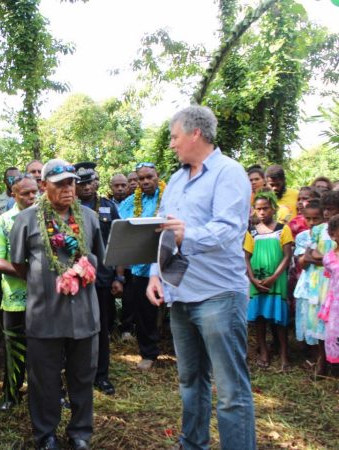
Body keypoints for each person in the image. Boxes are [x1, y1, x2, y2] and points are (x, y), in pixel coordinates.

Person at [146, 106, 255, 450]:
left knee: (230, 389)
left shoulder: (229, 172)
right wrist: (154, 274)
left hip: (219, 295)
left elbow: (228, 229)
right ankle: (192, 444)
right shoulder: (176, 180)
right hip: (180, 296)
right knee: (190, 382)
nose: (172, 145)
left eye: (175, 137)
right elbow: (161, 232)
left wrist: (186, 235)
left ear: (195, 134)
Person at [10, 159, 104, 450]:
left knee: (83, 378)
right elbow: (18, 264)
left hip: (85, 315)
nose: (68, 188)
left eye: (71, 182)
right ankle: (45, 434)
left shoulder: (88, 218)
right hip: (45, 316)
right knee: (43, 381)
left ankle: (80, 433)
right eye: (60, 183)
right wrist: (46, 281)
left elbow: (98, 258)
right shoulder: (26, 220)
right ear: (43, 185)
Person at [0, 174, 39, 410]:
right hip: (15, 300)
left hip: (46, 299)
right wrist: (28, 273)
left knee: (47, 350)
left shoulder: (47, 217)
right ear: (12, 194)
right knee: (14, 350)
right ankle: (11, 394)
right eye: (25, 193)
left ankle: (52, 393)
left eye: (34, 191)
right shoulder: (4, 222)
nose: (31, 197)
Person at [74, 162, 123, 395]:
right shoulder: (66, 208)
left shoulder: (108, 207)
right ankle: (76, 374)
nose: (86, 187)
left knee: (101, 328)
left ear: (96, 182)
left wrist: (119, 277)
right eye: (80, 183)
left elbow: (119, 242)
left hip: (102, 278)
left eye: (89, 182)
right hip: (73, 280)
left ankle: (101, 376)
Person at [117, 161, 166, 370]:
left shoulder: (169, 196)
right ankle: (149, 353)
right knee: (144, 311)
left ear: (158, 176)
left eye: (149, 177)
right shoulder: (130, 202)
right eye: (141, 178)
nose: (145, 181)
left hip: (169, 261)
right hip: (141, 266)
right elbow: (120, 227)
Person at [244, 191, 293, 369]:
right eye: (258, 209)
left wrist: (274, 277)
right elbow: (246, 257)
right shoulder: (252, 232)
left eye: (265, 208)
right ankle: (263, 350)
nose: (262, 212)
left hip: (276, 280)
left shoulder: (282, 229)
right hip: (257, 280)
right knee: (260, 318)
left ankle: (284, 354)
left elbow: (287, 256)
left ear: (273, 208)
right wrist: (252, 279)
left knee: (279, 318)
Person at [301, 190, 339, 375]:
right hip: (318, 281)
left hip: (334, 282)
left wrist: (321, 258)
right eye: (325, 209)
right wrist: (328, 259)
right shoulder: (317, 230)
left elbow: (317, 256)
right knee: (319, 321)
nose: (326, 213)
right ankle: (321, 362)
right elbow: (309, 255)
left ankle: (332, 362)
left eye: (331, 209)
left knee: (334, 322)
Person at [293, 199, 325, 363]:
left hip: (326, 285)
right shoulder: (302, 237)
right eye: (309, 219)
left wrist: (317, 259)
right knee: (310, 320)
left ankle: (327, 359)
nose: (312, 223)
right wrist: (312, 247)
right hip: (307, 285)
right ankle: (315, 359)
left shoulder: (330, 235)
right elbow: (303, 262)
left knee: (324, 320)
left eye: (316, 219)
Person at [320, 213, 339, 364]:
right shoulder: (329, 258)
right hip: (336, 305)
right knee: (335, 333)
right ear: (333, 235)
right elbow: (330, 279)